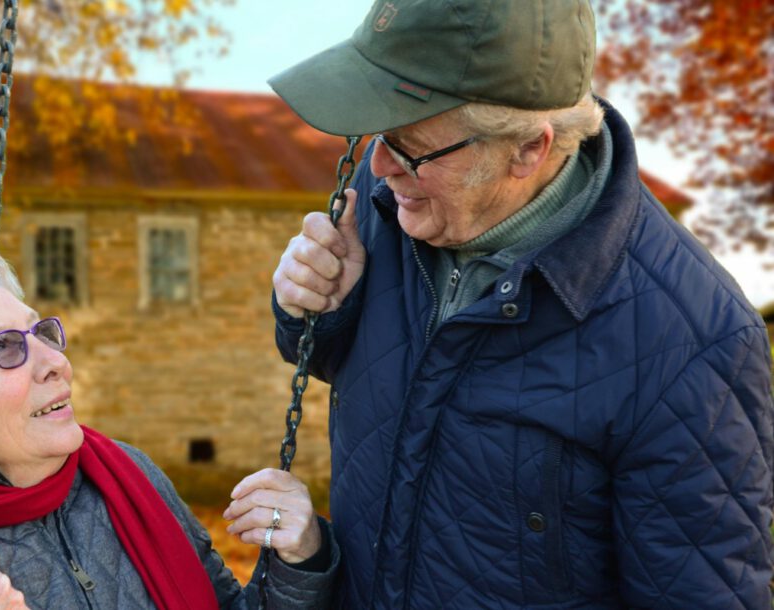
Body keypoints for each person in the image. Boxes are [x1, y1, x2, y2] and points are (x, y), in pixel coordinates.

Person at [268, 0, 774, 607]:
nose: (379, 167)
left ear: (529, 150)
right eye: (380, 133)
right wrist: (316, 308)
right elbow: (348, 369)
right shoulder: (389, 201)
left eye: (410, 147)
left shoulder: (692, 341)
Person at [0, 240, 338, 609]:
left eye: (42, 333)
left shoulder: (128, 479)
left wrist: (298, 561)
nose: (55, 361)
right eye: (4, 348)